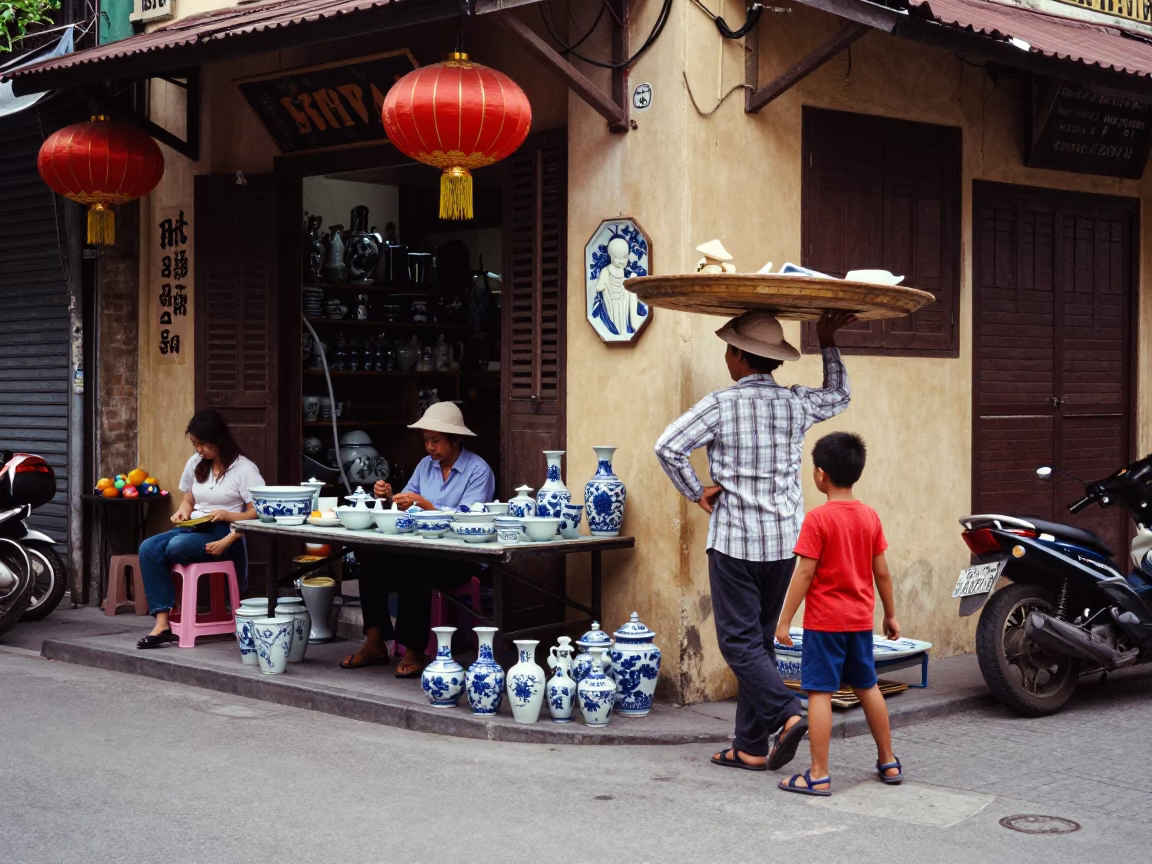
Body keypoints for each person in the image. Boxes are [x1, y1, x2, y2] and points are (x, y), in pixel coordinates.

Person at [654, 309, 855, 772]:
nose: (727, 357)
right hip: (786, 542)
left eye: (730, 349)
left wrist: (695, 490)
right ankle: (749, 747)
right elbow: (840, 394)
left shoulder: (721, 405)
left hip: (736, 543)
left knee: (739, 644)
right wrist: (827, 340)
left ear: (741, 357)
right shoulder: (795, 403)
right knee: (760, 642)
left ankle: (786, 715)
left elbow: (668, 446)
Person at [775, 432, 902, 795]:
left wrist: (784, 620)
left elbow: (804, 572)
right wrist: (890, 615)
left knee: (818, 693)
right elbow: (882, 572)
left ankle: (818, 773)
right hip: (860, 622)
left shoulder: (817, 520)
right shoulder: (869, 516)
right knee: (868, 686)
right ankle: (888, 761)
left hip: (824, 624)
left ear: (820, 474)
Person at [340, 402, 495, 677]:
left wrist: (425, 505)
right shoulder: (426, 466)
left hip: (462, 557)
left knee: (415, 565)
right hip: (424, 548)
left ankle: (413, 650)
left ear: (456, 439)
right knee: (373, 558)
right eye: (426, 440)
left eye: (435, 441)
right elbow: (406, 503)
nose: (429, 447)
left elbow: (469, 519)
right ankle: (375, 643)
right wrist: (389, 496)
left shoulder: (478, 471)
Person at [136, 410, 265, 649]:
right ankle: (162, 624)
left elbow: (257, 513)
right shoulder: (196, 464)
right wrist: (183, 511)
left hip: (225, 532)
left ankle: (173, 615)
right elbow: (189, 500)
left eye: (202, 444)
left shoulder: (244, 469)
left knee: (175, 547)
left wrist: (229, 515)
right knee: (148, 547)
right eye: (195, 444)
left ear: (219, 440)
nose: (198, 450)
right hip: (194, 528)